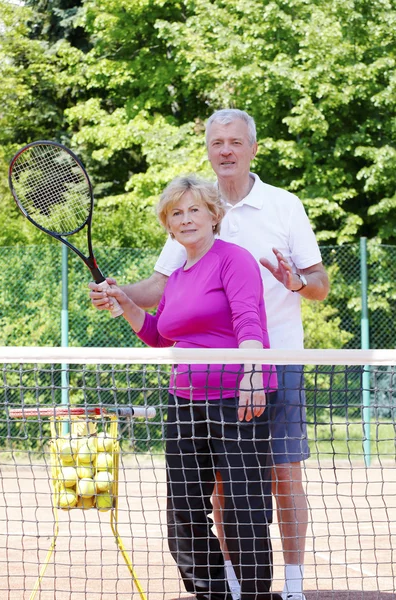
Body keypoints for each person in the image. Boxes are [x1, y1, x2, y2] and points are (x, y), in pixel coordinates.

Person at [89, 109, 330, 600]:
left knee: (282, 474)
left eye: (235, 142)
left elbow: (317, 286)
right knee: (219, 487)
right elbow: (159, 295)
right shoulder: (189, 226)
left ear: (252, 148)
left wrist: (295, 284)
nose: (226, 150)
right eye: (217, 142)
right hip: (200, 384)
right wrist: (119, 294)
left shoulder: (283, 207)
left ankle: (292, 584)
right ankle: (230, 584)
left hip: (268, 365)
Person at [104, 175, 282, 600]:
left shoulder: (233, 259)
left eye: (194, 210)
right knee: (183, 510)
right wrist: (126, 302)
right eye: (176, 213)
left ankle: (255, 594)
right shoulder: (178, 276)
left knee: (245, 508)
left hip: (238, 397)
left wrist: (252, 374)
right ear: (168, 224)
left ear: (213, 215)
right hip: (184, 400)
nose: (186, 219)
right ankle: (214, 593)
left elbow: (248, 320)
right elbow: (159, 334)